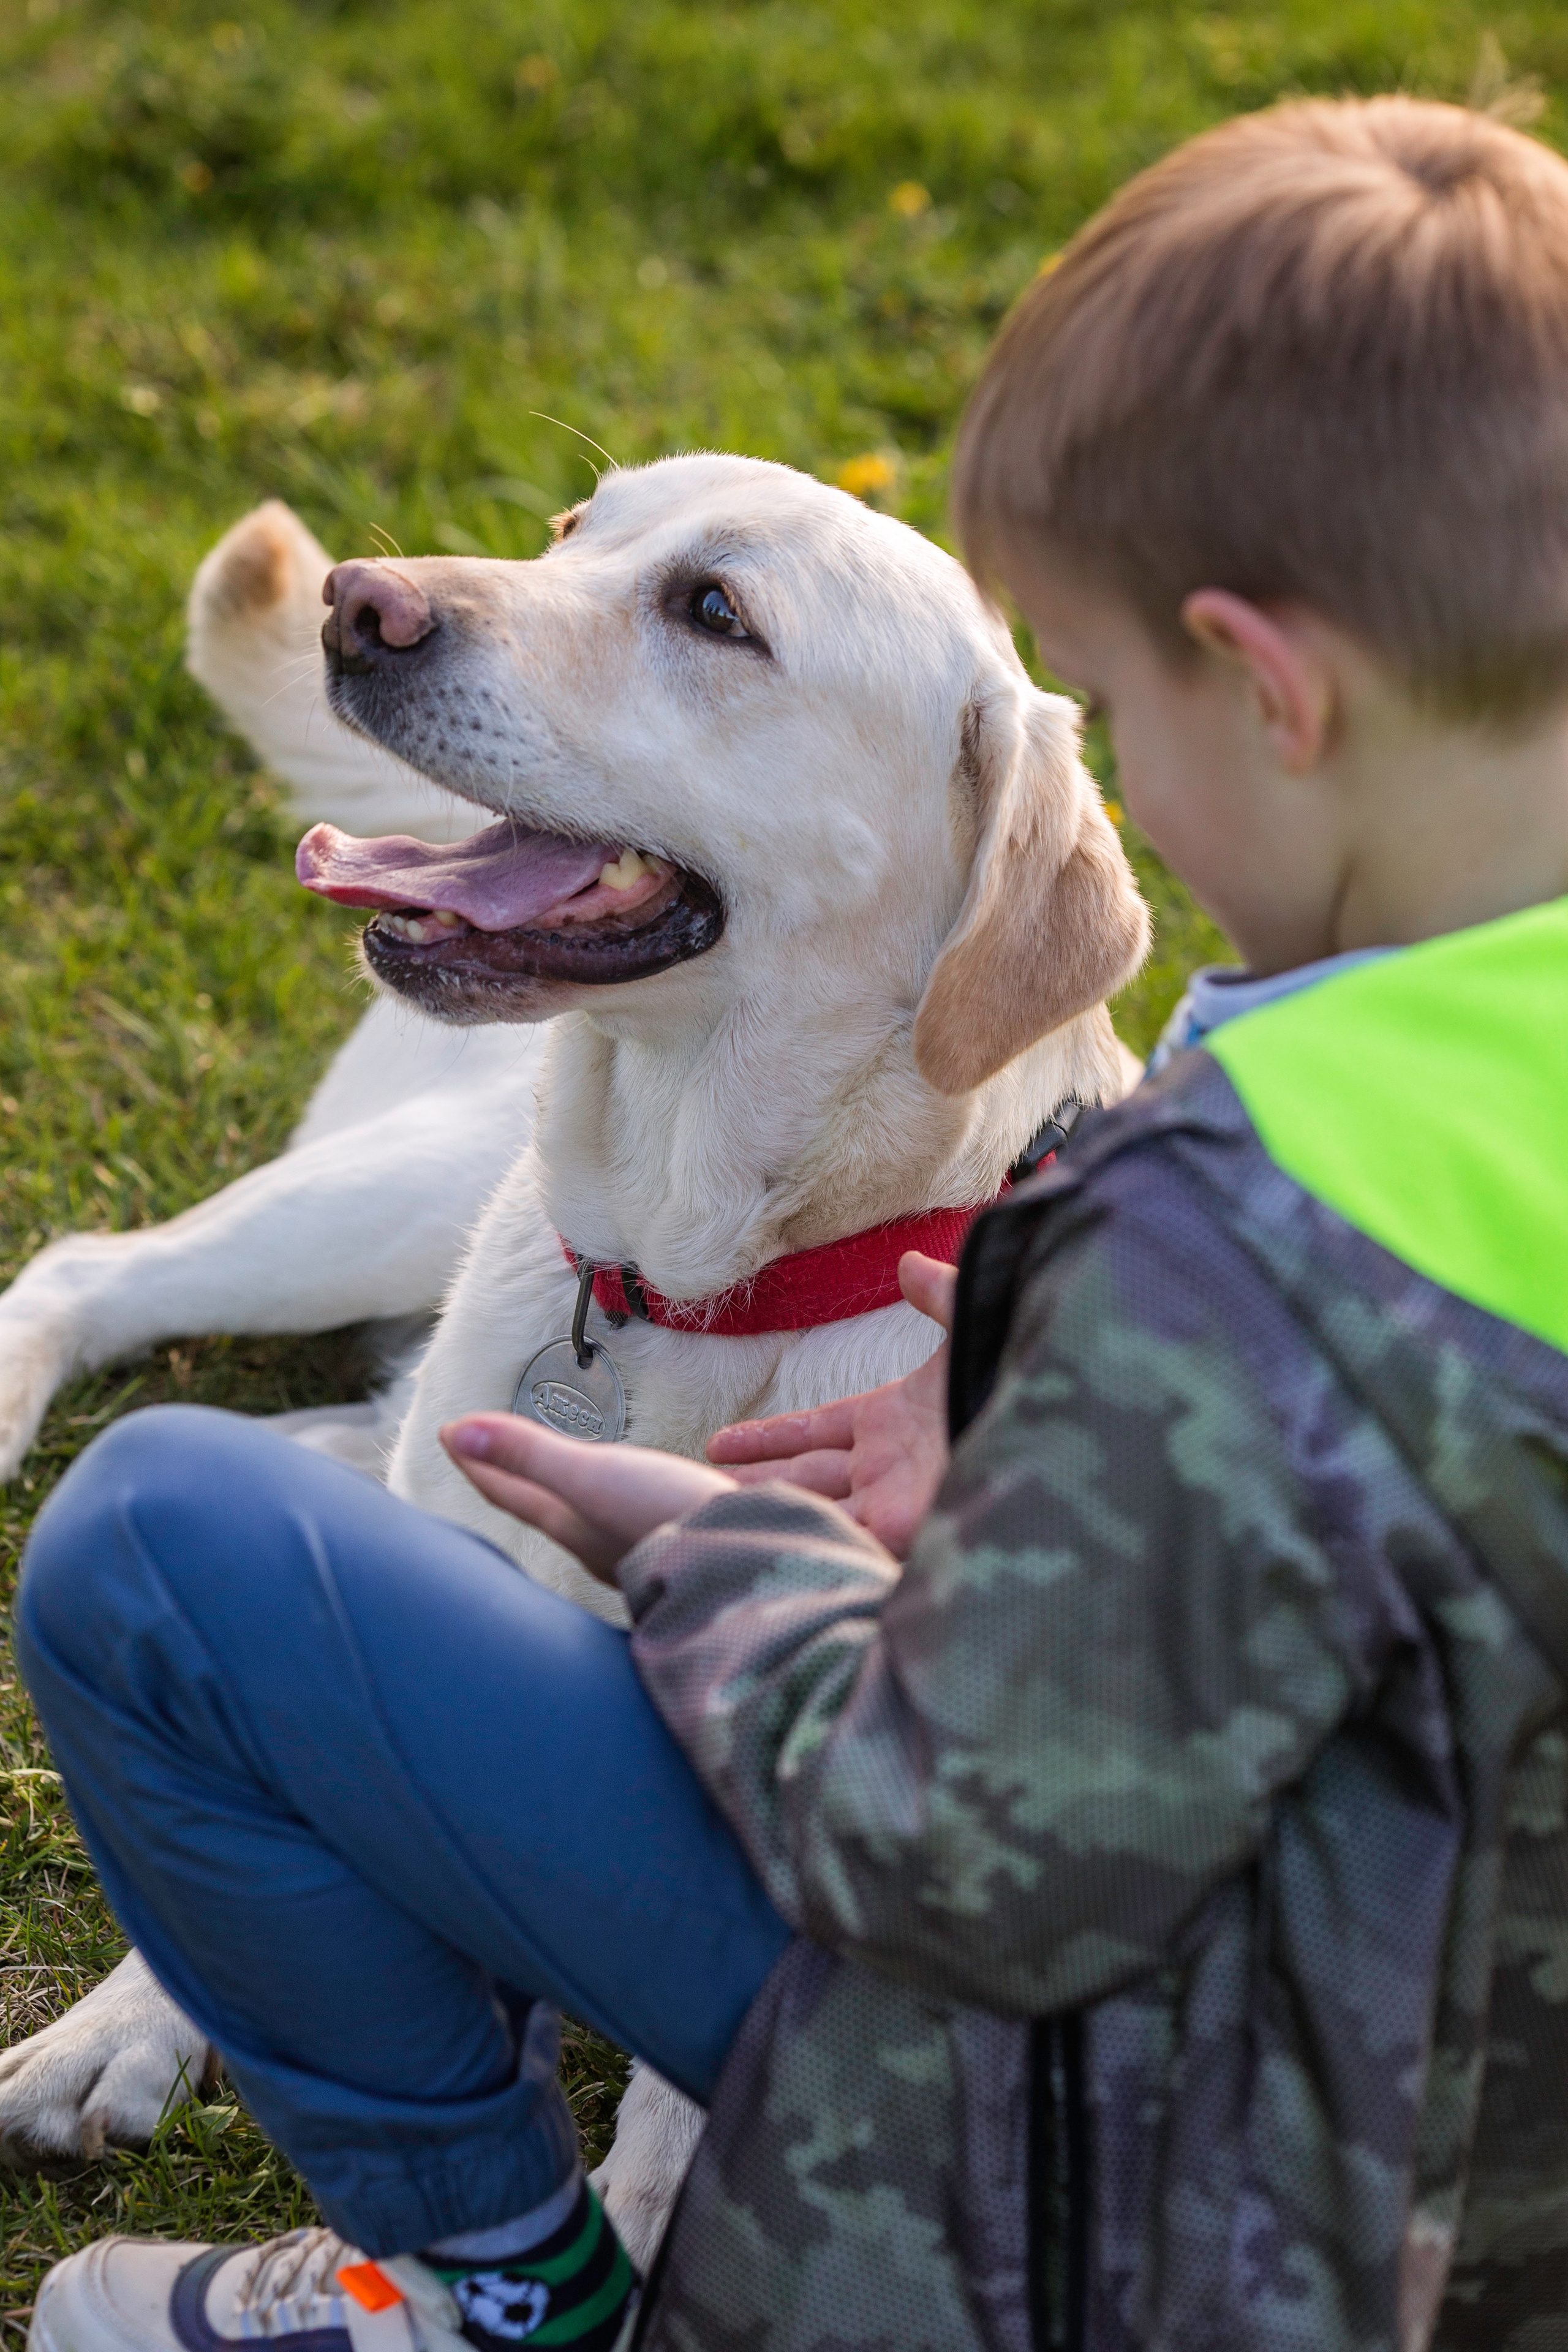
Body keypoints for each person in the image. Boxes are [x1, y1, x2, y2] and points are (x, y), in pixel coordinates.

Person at [16, 89, 1568, 2352]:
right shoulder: (1343, 1139)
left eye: (1117, 707)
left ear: (1267, 692)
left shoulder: (1233, 1212)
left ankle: (503, 2284)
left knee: (160, 1551)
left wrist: (725, 1566)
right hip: (1436, 2189)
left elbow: (964, 1857)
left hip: (1087, 2202)